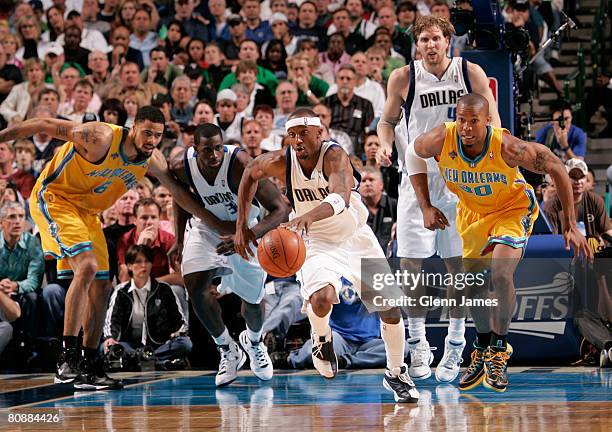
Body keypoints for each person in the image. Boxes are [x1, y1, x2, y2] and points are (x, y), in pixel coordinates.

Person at [0, 105, 220, 391]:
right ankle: (67, 359)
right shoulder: (100, 136)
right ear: (133, 128)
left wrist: (215, 223)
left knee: (102, 286)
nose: (151, 141)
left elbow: (178, 193)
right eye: (146, 133)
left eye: (157, 135)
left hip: (88, 214)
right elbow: (43, 123)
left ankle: (89, 365)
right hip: (55, 199)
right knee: (88, 266)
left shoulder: (152, 159)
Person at [234, 109, 419, 403]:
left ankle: (396, 373)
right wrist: (242, 224)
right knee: (321, 297)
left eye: (303, 134)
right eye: (292, 135)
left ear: (319, 134)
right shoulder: (282, 161)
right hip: (315, 242)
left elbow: (341, 197)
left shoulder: (335, 157)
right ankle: (321, 340)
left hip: (355, 236)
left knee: (390, 310)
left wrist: (308, 216)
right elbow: (248, 172)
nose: (297, 140)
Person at [411, 93, 590, 392]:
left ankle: (499, 349)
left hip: (512, 209)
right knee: (475, 285)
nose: (466, 128)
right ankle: (481, 348)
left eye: (474, 121)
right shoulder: (441, 138)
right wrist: (425, 206)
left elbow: (557, 167)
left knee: (500, 272)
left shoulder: (508, 147)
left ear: (488, 121)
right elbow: (412, 153)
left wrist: (570, 224)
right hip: (473, 214)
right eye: (462, 120)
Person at [377, 15, 500, 383]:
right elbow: (386, 121)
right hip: (418, 177)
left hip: (461, 180)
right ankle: (417, 345)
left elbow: (492, 120)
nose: (429, 46)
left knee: (457, 266)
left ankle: (455, 345)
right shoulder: (403, 77)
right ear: (417, 45)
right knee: (410, 264)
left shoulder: (470, 72)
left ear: (448, 40)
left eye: (435, 38)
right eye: (423, 40)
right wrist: (385, 145)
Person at [169, 123, 290, 386]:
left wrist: (246, 235)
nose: (214, 155)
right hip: (206, 228)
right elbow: (178, 197)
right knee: (195, 284)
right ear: (194, 149)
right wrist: (179, 239)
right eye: (206, 151)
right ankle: (227, 348)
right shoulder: (181, 166)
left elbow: (280, 210)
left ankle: (254, 342)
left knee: (254, 303)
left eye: (217, 148)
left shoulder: (240, 164)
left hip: (247, 230)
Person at [103, 245, 192, 370]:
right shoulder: (121, 291)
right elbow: (112, 320)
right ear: (129, 266)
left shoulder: (164, 288)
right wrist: (110, 338)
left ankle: (139, 360)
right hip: (130, 343)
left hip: (158, 343)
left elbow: (180, 321)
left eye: (147, 261)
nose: (143, 266)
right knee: (110, 347)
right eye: (138, 262)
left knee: (185, 344)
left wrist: (178, 331)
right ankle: (156, 362)